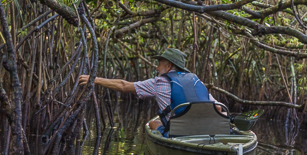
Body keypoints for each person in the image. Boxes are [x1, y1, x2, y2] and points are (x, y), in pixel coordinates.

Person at [78, 48, 222, 135]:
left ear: (169, 66)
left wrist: (95, 80)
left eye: (159, 64)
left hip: (181, 132)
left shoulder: (159, 82)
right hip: (207, 128)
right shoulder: (196, 80)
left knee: (153, 124)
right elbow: (218, 107)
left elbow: (123, 86)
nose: (157, 68)